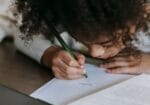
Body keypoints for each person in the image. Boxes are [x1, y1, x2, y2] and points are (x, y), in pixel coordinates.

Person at [14, 0, 149, 79]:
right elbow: (22, 34)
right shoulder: (71, 15)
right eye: (82, 41)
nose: (94, 53)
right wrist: (49, 54)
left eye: (106, 43)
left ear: (132, 21)